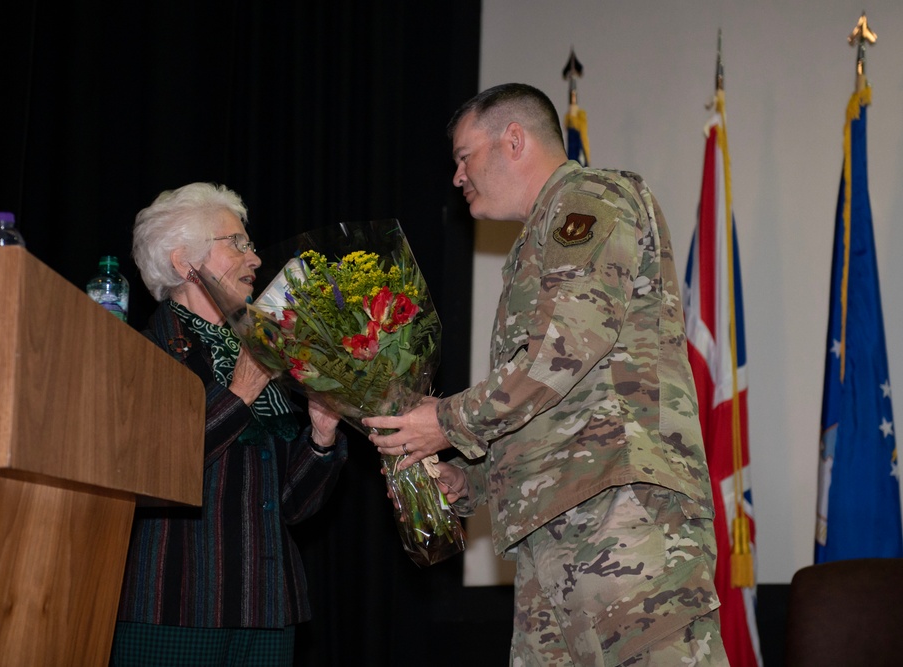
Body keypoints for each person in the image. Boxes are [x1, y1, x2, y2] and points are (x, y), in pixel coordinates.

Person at [364, 83, 728, 665]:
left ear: (514, 140)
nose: (457, 177)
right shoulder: (535, 240)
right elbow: (558, 401)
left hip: (619, 513)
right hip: (556, 526)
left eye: (464, 157)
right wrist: (471, 481)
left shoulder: (589, 199)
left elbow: (563, 354)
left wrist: (446, 420)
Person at [111, 182, 347, 667]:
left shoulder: (260, 354)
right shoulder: (141, 353)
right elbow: (151, 468)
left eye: (251, 244)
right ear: (184, 262)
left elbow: (293, 507)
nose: (256, 258)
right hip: (176, 607)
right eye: (237, 243)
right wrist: (238, 394)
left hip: (266, 607)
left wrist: (321, 438)